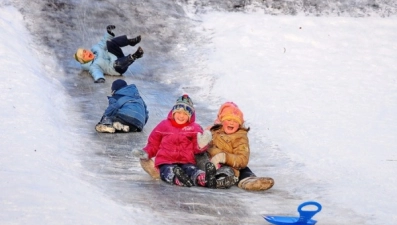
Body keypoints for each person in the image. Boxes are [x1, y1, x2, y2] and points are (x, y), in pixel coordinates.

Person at [132, 94, 216, 188]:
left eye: (185, 114)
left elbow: (196, 150)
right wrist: (146, 152)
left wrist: (201, 145)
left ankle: (203, 178)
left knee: (192, 170)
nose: (181, 116)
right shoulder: (164, 125)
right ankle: (177, 179)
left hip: (186, 161)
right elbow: (154, 144)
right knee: (168, 171)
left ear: (190, 116)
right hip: (166, 161)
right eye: (178, 112)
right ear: (173, 112)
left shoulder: (194, 128)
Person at [196, 102, 275, 191]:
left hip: (228, 166)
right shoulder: (214, 130)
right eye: (229, 120)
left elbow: (242, 159)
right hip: (209, 163)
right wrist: (201, 145)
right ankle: (199, 175)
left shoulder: (240, 137)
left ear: (240, 124)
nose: (232, 123)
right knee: (199, 157)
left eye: (235, 121)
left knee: (232, 171)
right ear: (222, 120)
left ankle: (224, 180)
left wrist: (224, 157)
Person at [73, 25, 143, 83]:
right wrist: (99, 78)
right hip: (118, 68)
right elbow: (96, 72)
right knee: (116, 64)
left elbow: (103, 42)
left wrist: (109, 32)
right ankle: (135, 56)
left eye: (85, 52)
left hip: (117, 56)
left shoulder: (96, 49)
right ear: (84, 61)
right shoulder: (93, 66)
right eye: (84, 56)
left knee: (109, 42)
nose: (87, 54)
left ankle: (130, 41)